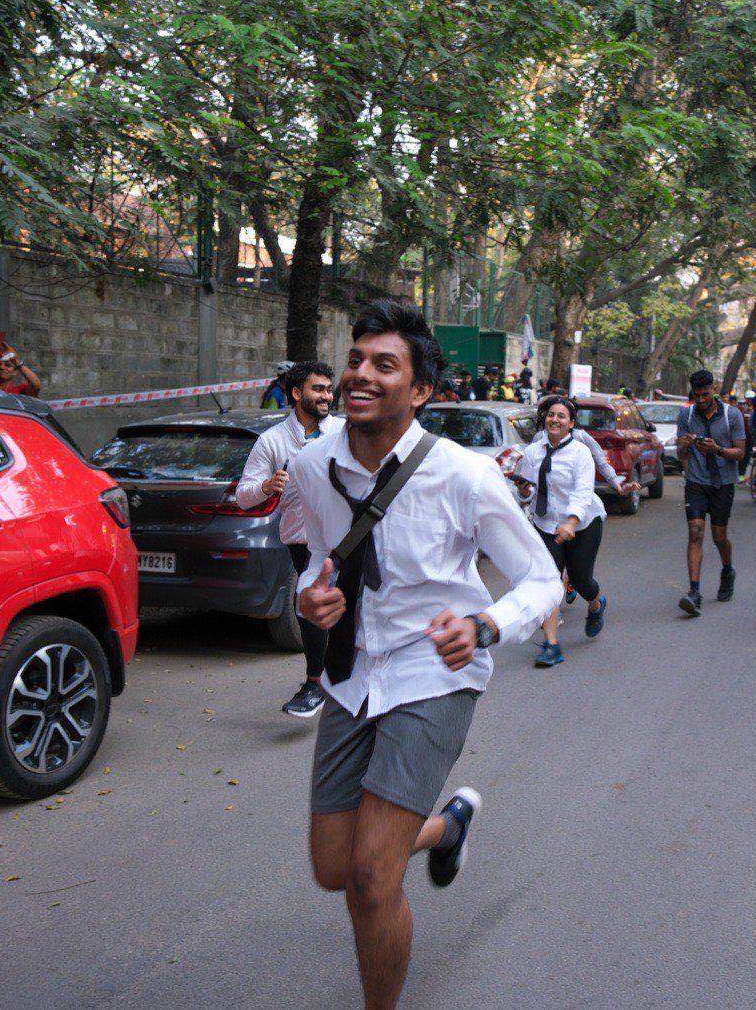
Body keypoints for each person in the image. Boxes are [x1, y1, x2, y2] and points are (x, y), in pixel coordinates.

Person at [293, 301, 561, 1010]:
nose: (361, 375)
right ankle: (447, 827)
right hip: (351, 675)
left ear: (420, 392)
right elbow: (316, 557)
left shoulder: (465, 476)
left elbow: (541, 578)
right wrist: (307, 598)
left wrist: (486, 625)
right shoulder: (311, 465)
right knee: (332, 868)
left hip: (434, 673)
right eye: (356, 360)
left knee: (374, 876)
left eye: (385, 365)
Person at [235, 360, 343, 717]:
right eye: (318, 389)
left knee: (353, 607)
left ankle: (347, 678)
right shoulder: (273, 441)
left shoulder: (344, 433)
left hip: (347, 539)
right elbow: (243, 495)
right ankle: (315, 683)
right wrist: (266, 486)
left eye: (329, 389)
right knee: (310, 607)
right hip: (302, 542)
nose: (327, 396)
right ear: (297, 394)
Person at [511, 395, 607, 667]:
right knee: (549, 583)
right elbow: (528, 492)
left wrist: (571, 522)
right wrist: (524, 492)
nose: (554, 419)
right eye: (551, 415)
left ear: (571, 424)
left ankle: (597, 602)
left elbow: (583, 493)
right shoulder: (533, 452)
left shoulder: (580, 453)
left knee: (579, 580)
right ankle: (551, 645)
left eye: (561, 416)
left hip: (584, 523)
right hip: (546, 525)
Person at [674, 370, 745, 616]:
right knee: (695, 533)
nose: (701, 400)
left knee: (718, 536)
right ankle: (694, 592)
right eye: (697, 395)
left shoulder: (731, 415)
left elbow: (740, 452)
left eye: (705, 394)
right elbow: (681, 455)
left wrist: (718, 450)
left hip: (723, 483)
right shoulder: (686, 414)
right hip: (696, 481)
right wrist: (682, 447)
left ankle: (727, 570)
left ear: (713, 389)